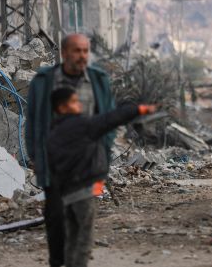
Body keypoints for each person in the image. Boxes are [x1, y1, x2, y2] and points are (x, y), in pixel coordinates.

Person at [25, 33, 115, 267]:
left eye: (85, 51)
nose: (82, 56)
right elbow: (33, 121)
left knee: (83, 222)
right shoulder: (44, 81)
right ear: (64, 53)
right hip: (56, 166)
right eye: (77, 51)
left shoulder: (99, 80)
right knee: (56, 220)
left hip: (87, 166)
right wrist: (36, 156)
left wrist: (104, 153)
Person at [47, 87, 157, 267]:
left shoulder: (53, 131)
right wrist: (138, 109)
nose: (78, 105)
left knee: (71, 235)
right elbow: (111, 119)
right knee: (84, 236)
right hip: (82, 190)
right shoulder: (82, 125)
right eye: (74, 102)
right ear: (62, 107)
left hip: (64, 193)